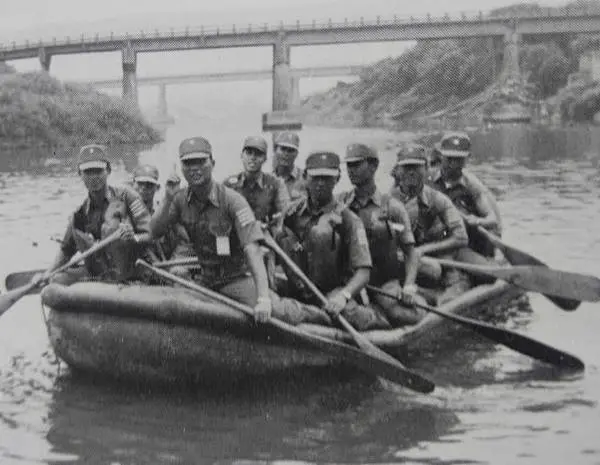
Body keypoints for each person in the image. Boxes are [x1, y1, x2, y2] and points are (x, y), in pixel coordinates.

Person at [150, 136, 331, 326]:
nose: (195, 168)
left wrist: (263, 299)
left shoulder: (232, 200)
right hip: (205, 277)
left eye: (201, 162)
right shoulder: (180, 199)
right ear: (181, 167)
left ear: (212, 163)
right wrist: (167, 198)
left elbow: (251, 248)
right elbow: (154, 232)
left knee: (278, 312)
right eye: (188, 163)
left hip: (235, 278)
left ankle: (319, 315)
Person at [276, 151, 390, 330]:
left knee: (353, 316)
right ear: (305, 177)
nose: (321, 184)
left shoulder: (348, 220)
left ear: (337, 179)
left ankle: (374, 317)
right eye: (316, 178)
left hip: (332, 291)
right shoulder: (290, 213)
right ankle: (307, 313)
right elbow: (275, 251)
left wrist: (343, 296)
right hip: (296, 286)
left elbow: (363, 272)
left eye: (327, 178)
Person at [338, 143, 425, 326]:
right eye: (349, 165)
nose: (351, 170)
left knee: (404, 315)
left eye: (357, 165)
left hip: (383, 283)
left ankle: (385, 316)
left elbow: (410, 253)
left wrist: (409, 286)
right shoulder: (341, 204)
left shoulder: (392, 208)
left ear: (373, 166)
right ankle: (374, 318)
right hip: (350, 282)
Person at [43, 144, 152, 285]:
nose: (93, 177)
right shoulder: (80, 214)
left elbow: (151, 234)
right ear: (79, 174)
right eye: (88, 172)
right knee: (56, 280)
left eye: (98, 171)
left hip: (130, 273)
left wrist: (134, 237)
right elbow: (66, 250)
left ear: (108, 170)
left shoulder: (128, 197)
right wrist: (48, 273)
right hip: (98, 275)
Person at [390, 143, 470, 303]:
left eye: (416, 167)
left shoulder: (438, 199)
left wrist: (423, 250)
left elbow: (461, 237)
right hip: (402, 259)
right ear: (398, 171)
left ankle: (435, 297)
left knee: (437, 273)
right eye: (406, 167)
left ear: (426, 168)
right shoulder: (388, 200)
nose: (411, 172)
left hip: (437, 258)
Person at [429, 132, 499, 258]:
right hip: (434, 237)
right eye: (449, 159)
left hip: (462, 242)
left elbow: (492, 219)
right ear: (441, 156)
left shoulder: (472, 186)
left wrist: (477, 221)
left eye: (459, 160)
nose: (453, 165)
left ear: (467, 159)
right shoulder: (427, 179)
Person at [132, 164, 193, 262]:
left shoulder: (165, 208)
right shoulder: (123, 208)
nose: (143, 188)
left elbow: (185, 239)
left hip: (163, 263)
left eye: (149, 185)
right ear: (132, 185)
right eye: (140, 184)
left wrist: (174, 262)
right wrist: (136, 238)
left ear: (157, 188)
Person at [224, 136, 290, 227]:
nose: (252, 158)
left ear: (265, 158)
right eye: (248, 153)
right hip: (238, 235)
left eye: (258, 154)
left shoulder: (275, 183)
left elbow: (284, 211)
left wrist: (277, 219)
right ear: (241, 155)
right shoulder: (229, 185)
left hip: (266, 233)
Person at [272, 131, 306, 200]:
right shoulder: (269, 179)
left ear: (296, 154)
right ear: (275, 150)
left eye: (291, 150)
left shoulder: (305, 178)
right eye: (283, 149)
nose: (286, 154)